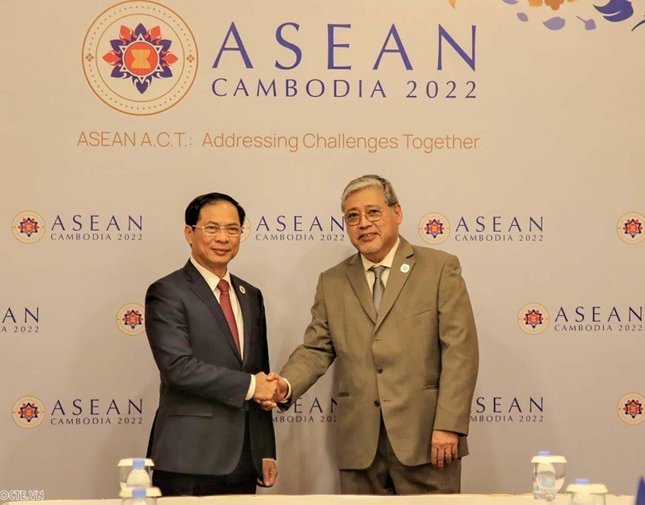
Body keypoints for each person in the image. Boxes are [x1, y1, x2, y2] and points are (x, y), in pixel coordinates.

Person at [271, 174, 479, 494]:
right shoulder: (332, 281)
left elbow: (460, 351)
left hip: (427, 441)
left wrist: (449, 425)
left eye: (373, 212)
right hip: (360, 447)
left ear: (397, 213)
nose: (363, 223)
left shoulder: (439, 269)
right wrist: (284, 385)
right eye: (352, 216)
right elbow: (316, 349)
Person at [144, 192, 278, 496]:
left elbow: (260, 372)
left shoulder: (250, 294)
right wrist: (252, 386)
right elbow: (177, 368)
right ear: (189, 233)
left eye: (233, 229)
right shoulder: (167, 291)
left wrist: (265, 449)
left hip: (244, 458)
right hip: (188, 459)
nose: (223, 238)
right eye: (212, 228)